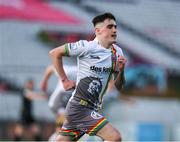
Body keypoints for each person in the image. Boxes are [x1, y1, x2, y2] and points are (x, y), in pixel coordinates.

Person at [49, 12, 126, 141]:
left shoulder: (117, 52)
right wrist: (64, 80)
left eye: (115, 27)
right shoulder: (86, 47)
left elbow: (119, 86)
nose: (114, 30)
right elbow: (54, 53)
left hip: (87, 108)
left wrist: (122, 70)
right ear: (98, 30)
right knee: (115, 137)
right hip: (80, 108)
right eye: (110, 27)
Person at [40, 64, 77, 130]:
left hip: (65, 99)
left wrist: (44, 81)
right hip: (62, 98)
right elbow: (51, 68)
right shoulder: (69, 71)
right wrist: (44, 81)